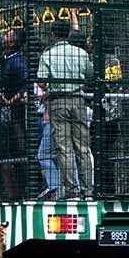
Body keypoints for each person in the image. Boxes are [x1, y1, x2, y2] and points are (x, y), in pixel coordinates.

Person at [37, 21, 94, 199]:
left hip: (58, 102)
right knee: (83, 147)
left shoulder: (47, 55)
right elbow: (90, 75)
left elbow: (41, 81)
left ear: (53, 35)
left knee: (64, 147)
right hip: (78, 101)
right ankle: (89, 190)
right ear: (68, 34)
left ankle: (72, 190)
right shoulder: (81, 53)